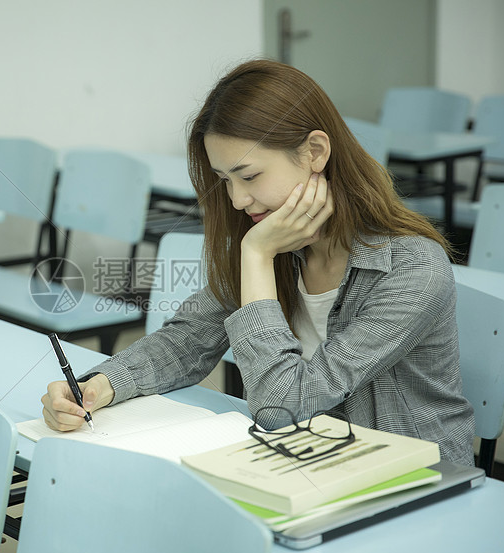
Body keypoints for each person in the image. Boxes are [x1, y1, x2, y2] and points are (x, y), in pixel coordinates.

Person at [41, 59, 475, 465]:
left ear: (315, 152)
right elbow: (186, 341)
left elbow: (281, 405)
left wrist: (255, 255)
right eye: (225, 180)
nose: (236, 199)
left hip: (411, 477)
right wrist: (97, 387)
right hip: (308, 459)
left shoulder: (413, 269)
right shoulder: (283, 243)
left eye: (249, 176)